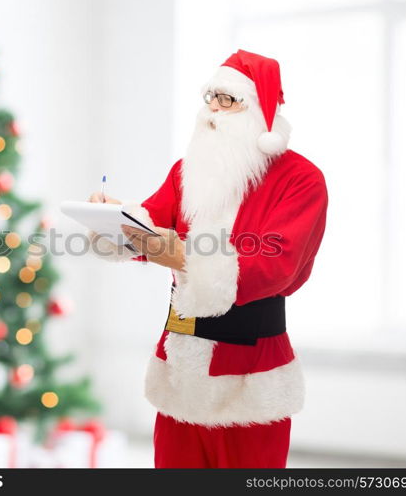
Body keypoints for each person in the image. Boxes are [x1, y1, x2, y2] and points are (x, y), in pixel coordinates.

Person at [88, 49, 328, 468]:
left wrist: (178, 254)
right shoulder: (188, 170)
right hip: (181, 372)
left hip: (251, 379)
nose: (212, 110)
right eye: (209, 97)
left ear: (257, 110)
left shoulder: (301, 179)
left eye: (227, 99)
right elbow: (151, 226)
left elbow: (275, 265)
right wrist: (114, 222)